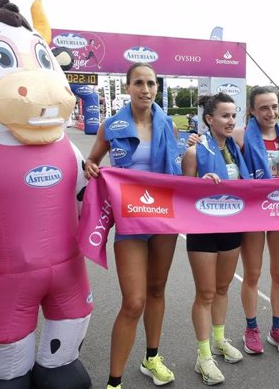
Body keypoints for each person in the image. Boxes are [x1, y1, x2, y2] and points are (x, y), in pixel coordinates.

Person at [85, 63, 181, 389]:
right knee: (134, 302)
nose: (145, 89)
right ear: (127, 87)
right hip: (130, 221)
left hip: (164, 220)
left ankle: (152, 358)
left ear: (157, 88)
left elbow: (179, 171)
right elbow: (93, 162)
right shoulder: (111, 126)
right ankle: (114, 382)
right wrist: (89, 167)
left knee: (156, 291)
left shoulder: (168, 125)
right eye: (138, 83)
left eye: (151, 83)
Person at [181, 93, 249, 385]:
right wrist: (199, 185)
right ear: (209, 119)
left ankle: (220, 340)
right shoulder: (195, 152)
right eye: (224, 115)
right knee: (205, 293)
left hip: (232, 227)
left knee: (223, 288)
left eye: (233, 115)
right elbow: (182, 194)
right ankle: (203, 356)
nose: (231, 120)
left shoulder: (236, 147)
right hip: (203, 231)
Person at [237, 86, 279, 355]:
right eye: (264, 107)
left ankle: (278, 328)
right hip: (252, 212)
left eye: (274, 106)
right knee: (252, 274)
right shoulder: (240, 136)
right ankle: (251, 328)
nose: (271, 112)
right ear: (252, 110)